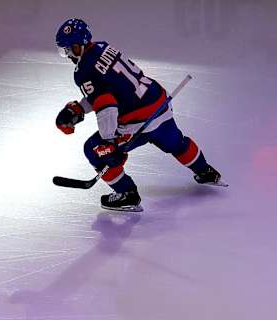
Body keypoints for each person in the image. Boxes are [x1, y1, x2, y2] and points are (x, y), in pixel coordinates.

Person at [54, 18, 224, 212]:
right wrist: (79, 108)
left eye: (68, 49)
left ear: (78, 46)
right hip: (158, 103)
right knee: (177, 143)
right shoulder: (103, 47)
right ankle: (206, 171)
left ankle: (127, 194)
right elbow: (113, 87)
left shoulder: (83, 71)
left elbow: (106, 104)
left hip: (137, 121)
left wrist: (109, 143)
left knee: (93, 150)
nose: (67, 55)